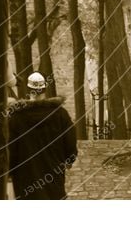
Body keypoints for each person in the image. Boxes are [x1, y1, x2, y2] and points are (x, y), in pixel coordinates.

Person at [7, 72, 78, 200]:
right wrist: (70, 159)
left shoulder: (17, 117)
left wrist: (10, 170)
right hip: (53, 173)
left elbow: (11, 147)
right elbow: (70, 139)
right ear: (45, 89)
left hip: (25, 177)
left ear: (28, 90)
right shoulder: (60, 114)